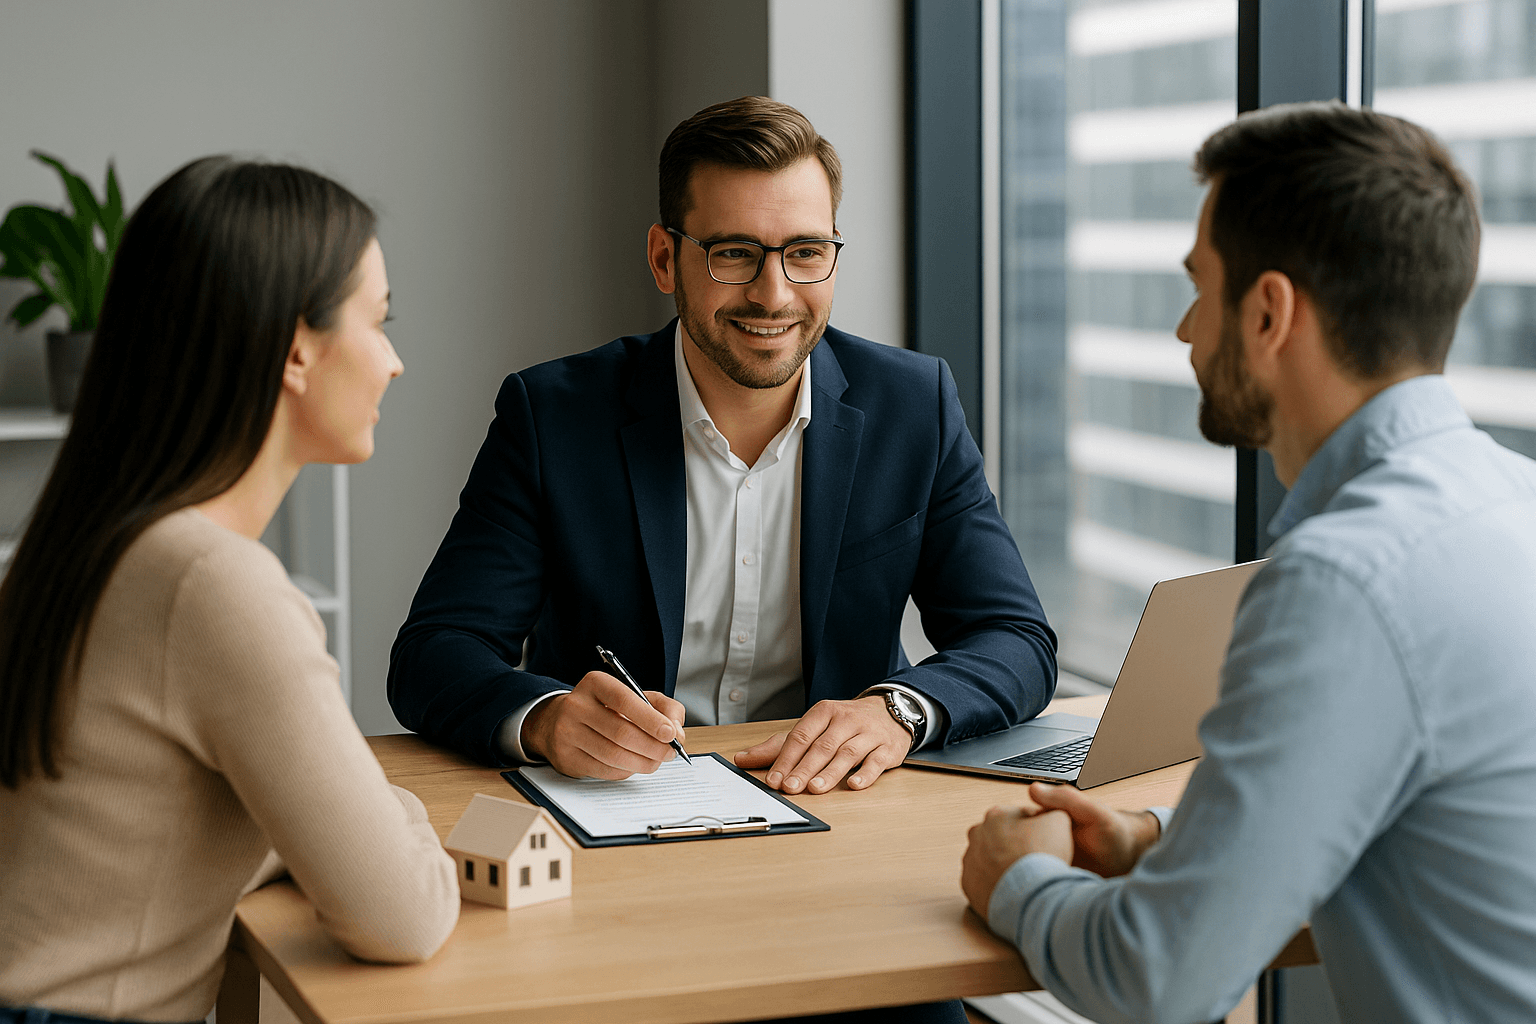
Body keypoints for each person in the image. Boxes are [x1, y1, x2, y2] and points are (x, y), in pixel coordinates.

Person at [962, 101, 1536, 1023]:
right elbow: (1410, 794)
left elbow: (1159, 981)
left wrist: (1015, 878)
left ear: (1268, 312)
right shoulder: (1513, 500)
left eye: (1201, 287)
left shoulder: (1345, 580)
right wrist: (1158, 842)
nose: (1187, 329)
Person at [388, 96, 1056, 802]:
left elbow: (1015, 637)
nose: (773, 295)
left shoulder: (914, 405)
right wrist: (547, 719)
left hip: (838, 803)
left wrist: (897, 712)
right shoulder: (553, 415)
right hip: (623, 803)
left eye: (805, 253)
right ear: (664, 258)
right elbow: (436, 652)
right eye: (734, 254)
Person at [0, 157, 458, 1024]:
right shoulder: (213, 586)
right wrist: (391, 807)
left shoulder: (92, 541)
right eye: (378, 321)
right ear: (296, 350)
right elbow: (406, 914)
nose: (395, 362)